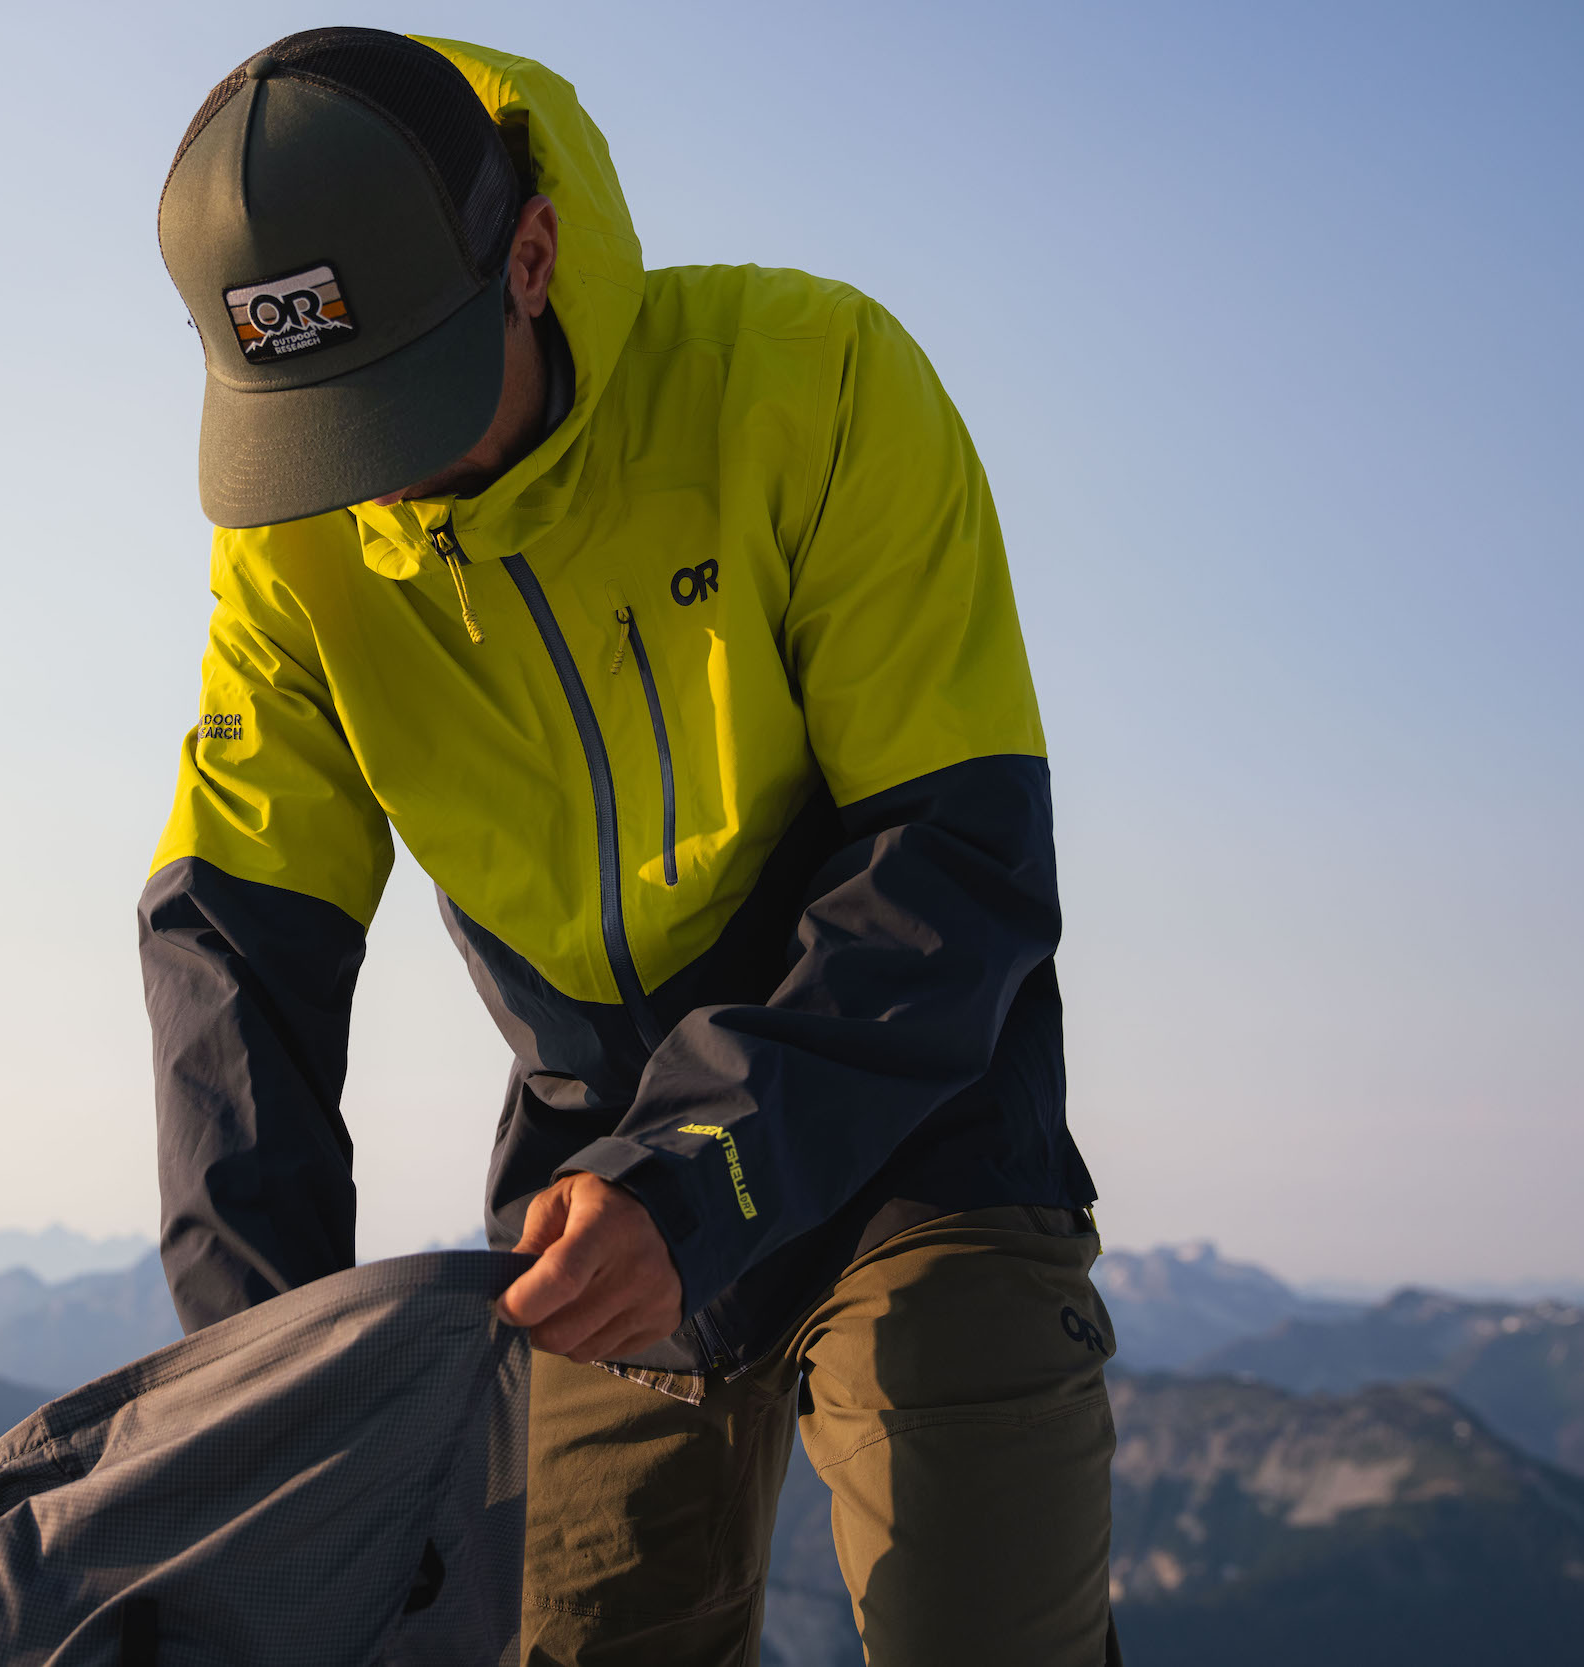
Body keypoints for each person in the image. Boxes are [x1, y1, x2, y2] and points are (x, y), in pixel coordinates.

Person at [139, 27, 1119, 1666]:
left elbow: (958, 864)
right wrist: (265, 1389)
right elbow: (238, 961)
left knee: (975, 1620)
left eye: (406, 402)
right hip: (590, 1195)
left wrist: (705, 1167)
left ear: (529, 258)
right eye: (325, 425)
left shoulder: (816, 380)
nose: (372, 478)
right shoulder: (296, 547)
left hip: (912, 1134)